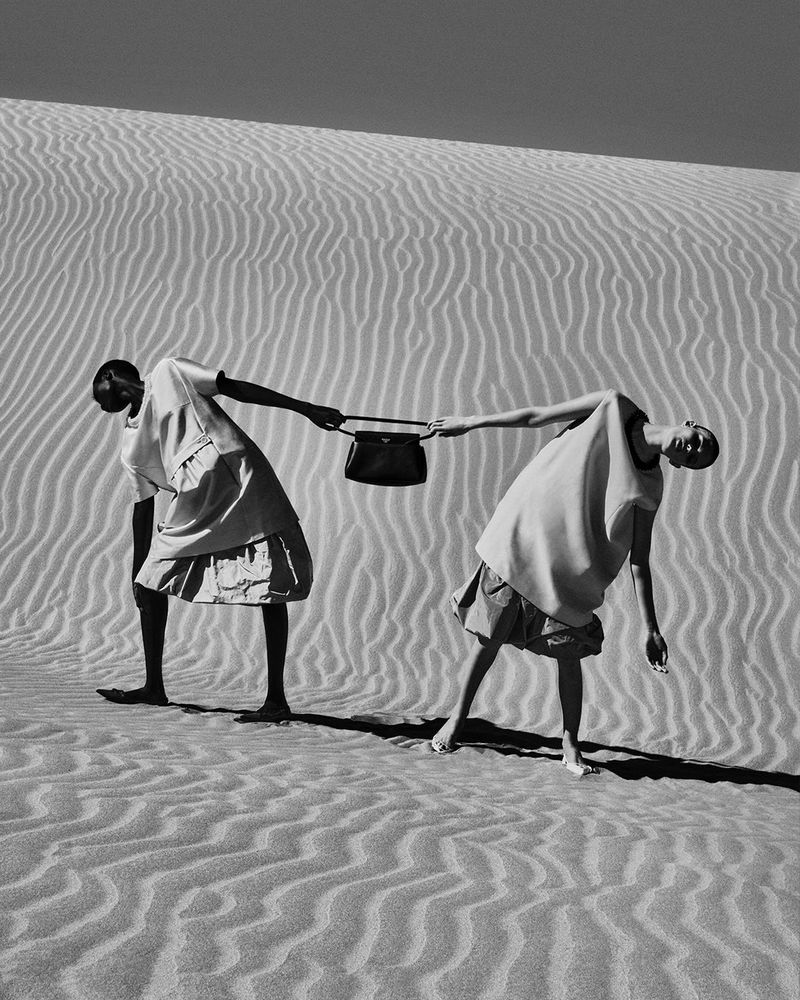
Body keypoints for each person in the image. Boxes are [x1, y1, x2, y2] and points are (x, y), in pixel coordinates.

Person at [426, 389, 719, 775]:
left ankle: (570, 744)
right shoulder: (613, 406)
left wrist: (651, 628)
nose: (690, 449)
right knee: (490, 636)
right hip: (528, 532)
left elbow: (639, 560)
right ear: (689, 424)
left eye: (694, 458)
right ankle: (457, 719)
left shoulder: (650, 487)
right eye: (697, 441)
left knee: (568, 654)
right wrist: (469, 422)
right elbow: (538, 415)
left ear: (679, 465)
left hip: (573, 564)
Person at [92, 356, 344, 722]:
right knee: (148, 583)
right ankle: (153, 687)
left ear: (110, 376)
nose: (99, 405)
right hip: (194, 498)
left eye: (97, 393)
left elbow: (233, 388)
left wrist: (305, 409)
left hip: (239, 475)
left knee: (269, 580)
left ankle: (276, 700)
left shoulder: (170, 371)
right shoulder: (129, 445)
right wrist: (137, 571)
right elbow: (142, 507)